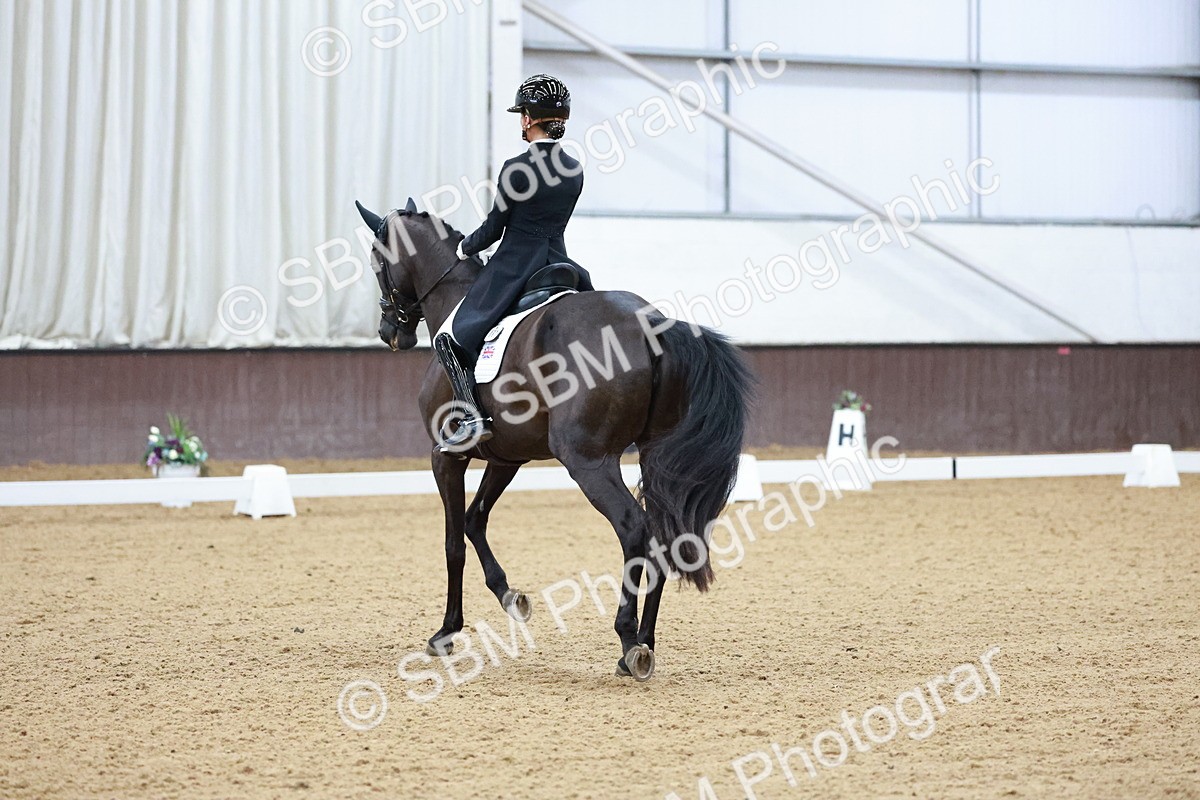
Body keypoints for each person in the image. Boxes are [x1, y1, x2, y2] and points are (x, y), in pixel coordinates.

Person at [434, 74, 593, 454]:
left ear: (528, 119)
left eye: (522, 114)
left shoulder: (516, 168)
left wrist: (463, 248)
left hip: (516, 265)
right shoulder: (574, 169)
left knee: (449, 336)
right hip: (559, 263)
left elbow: (495, 228)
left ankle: (471, 418)